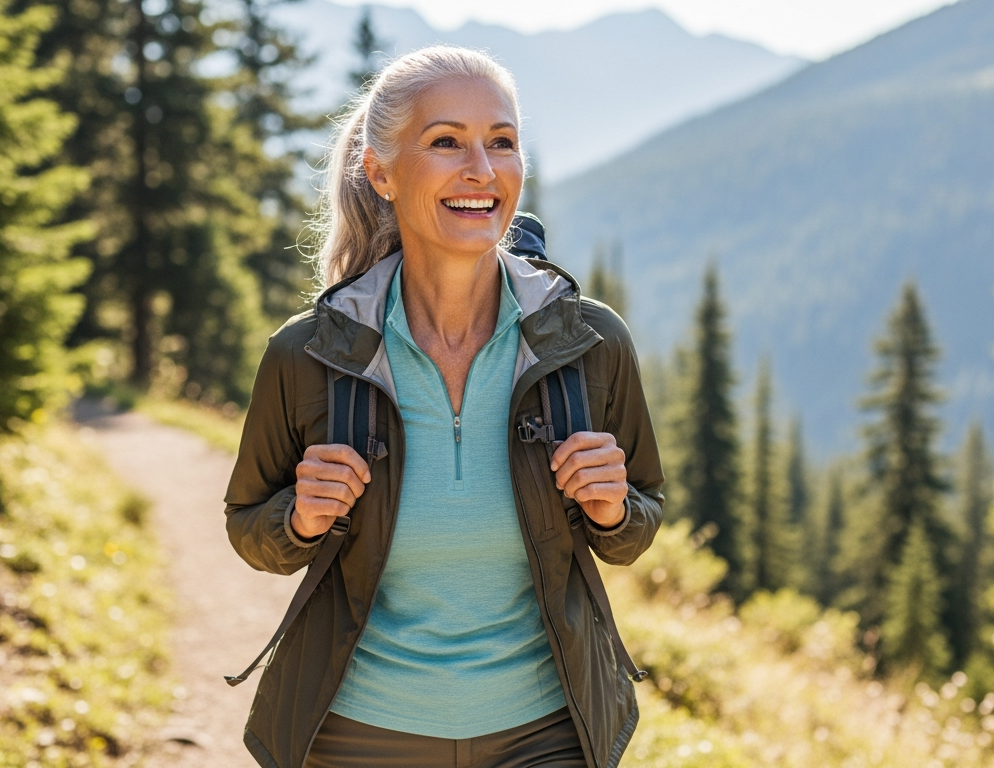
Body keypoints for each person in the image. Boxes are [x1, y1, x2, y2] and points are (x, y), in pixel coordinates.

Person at [223, 45, 664, 768]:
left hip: (547, 736)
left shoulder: (588, 342)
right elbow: (248, 528)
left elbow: (639, 517)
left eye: (502, 142)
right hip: (357, 739)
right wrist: (299, 519)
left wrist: (613, 508)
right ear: (381, 173)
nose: (481, 172)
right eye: (445, 142)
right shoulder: (310, 355)